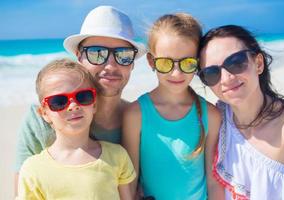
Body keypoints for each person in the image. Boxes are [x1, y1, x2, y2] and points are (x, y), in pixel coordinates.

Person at [14, 5, 145, 193]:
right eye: (96, 53)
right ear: (79, 57)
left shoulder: (140, 120)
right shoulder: (41, 122)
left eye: (123, 55)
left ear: (132, 63)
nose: (110, 65)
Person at [122, 13, 223, 200]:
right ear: (151, 61)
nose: (176, 73)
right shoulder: (135, 114)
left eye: (187, 62)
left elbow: (214, 181)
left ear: (198, 63)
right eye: (166, 63)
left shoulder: (211, 115)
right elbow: (129, 181)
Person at [197, 25, 284, 200]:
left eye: (236, 63)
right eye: (212, 73)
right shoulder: (216, 121)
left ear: (258, 64)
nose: (226, 78)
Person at [17, 59, 136, 199]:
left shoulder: (117, 156)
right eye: (59, 101)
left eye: (83, 97)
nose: (73, 106)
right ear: (44, 113)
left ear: (95, 104)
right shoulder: (33, 169)